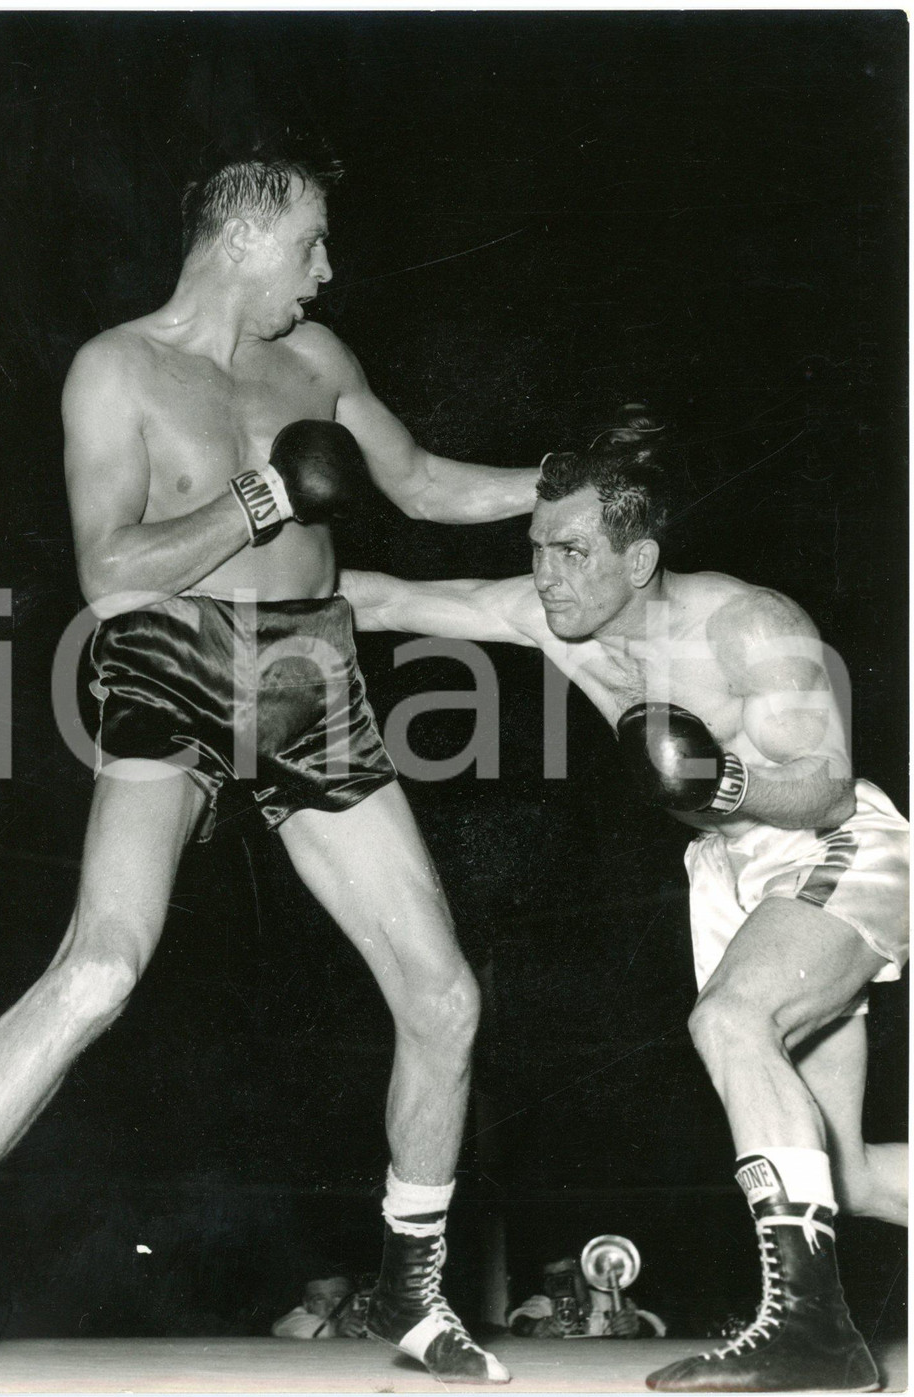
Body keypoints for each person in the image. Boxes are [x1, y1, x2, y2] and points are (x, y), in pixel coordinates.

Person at [0, 143, 542, 1383]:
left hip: (309, 668)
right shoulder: (118, 368)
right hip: (168, 655)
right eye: (309, 244)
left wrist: (559, 481)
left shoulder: (320, 363)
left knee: (445, 997)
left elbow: (414, 482)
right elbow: (109, 570)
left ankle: (410, 1296)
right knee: (100, 965)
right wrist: (259, 501)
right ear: (245, 234)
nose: (324, 273)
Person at [340, 407, 908, 1391]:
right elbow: (386, 599)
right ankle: (823, 1326)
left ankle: (815, 1334)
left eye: (569, 551)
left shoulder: (748, 624)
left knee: (733, 1021)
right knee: (845, 1172)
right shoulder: (549, 615)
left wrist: (716, 778)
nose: (545, 573)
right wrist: (212, 578)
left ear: (637, 558)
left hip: (832, 841)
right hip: (728, 870)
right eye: (536, 549)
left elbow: (819, 780)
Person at [507, 1255, 666, 1339]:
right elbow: (520, 1319)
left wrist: (637, 1327)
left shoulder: (609, 1302)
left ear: (586, 1277)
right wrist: (535, 1328)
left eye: (568, 1276)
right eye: (551, 1278)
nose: (561, 1284)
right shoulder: (544, 1304)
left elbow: (654, 1324)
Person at [271, 1273, 370, 1339]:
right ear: (306, 1304)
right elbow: (282, 1326)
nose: (330, 1307)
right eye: (320, 1299)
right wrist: (334, 1329)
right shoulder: (297, 1319)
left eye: (337, 1297)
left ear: (354, 1300)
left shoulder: (368, 1313)